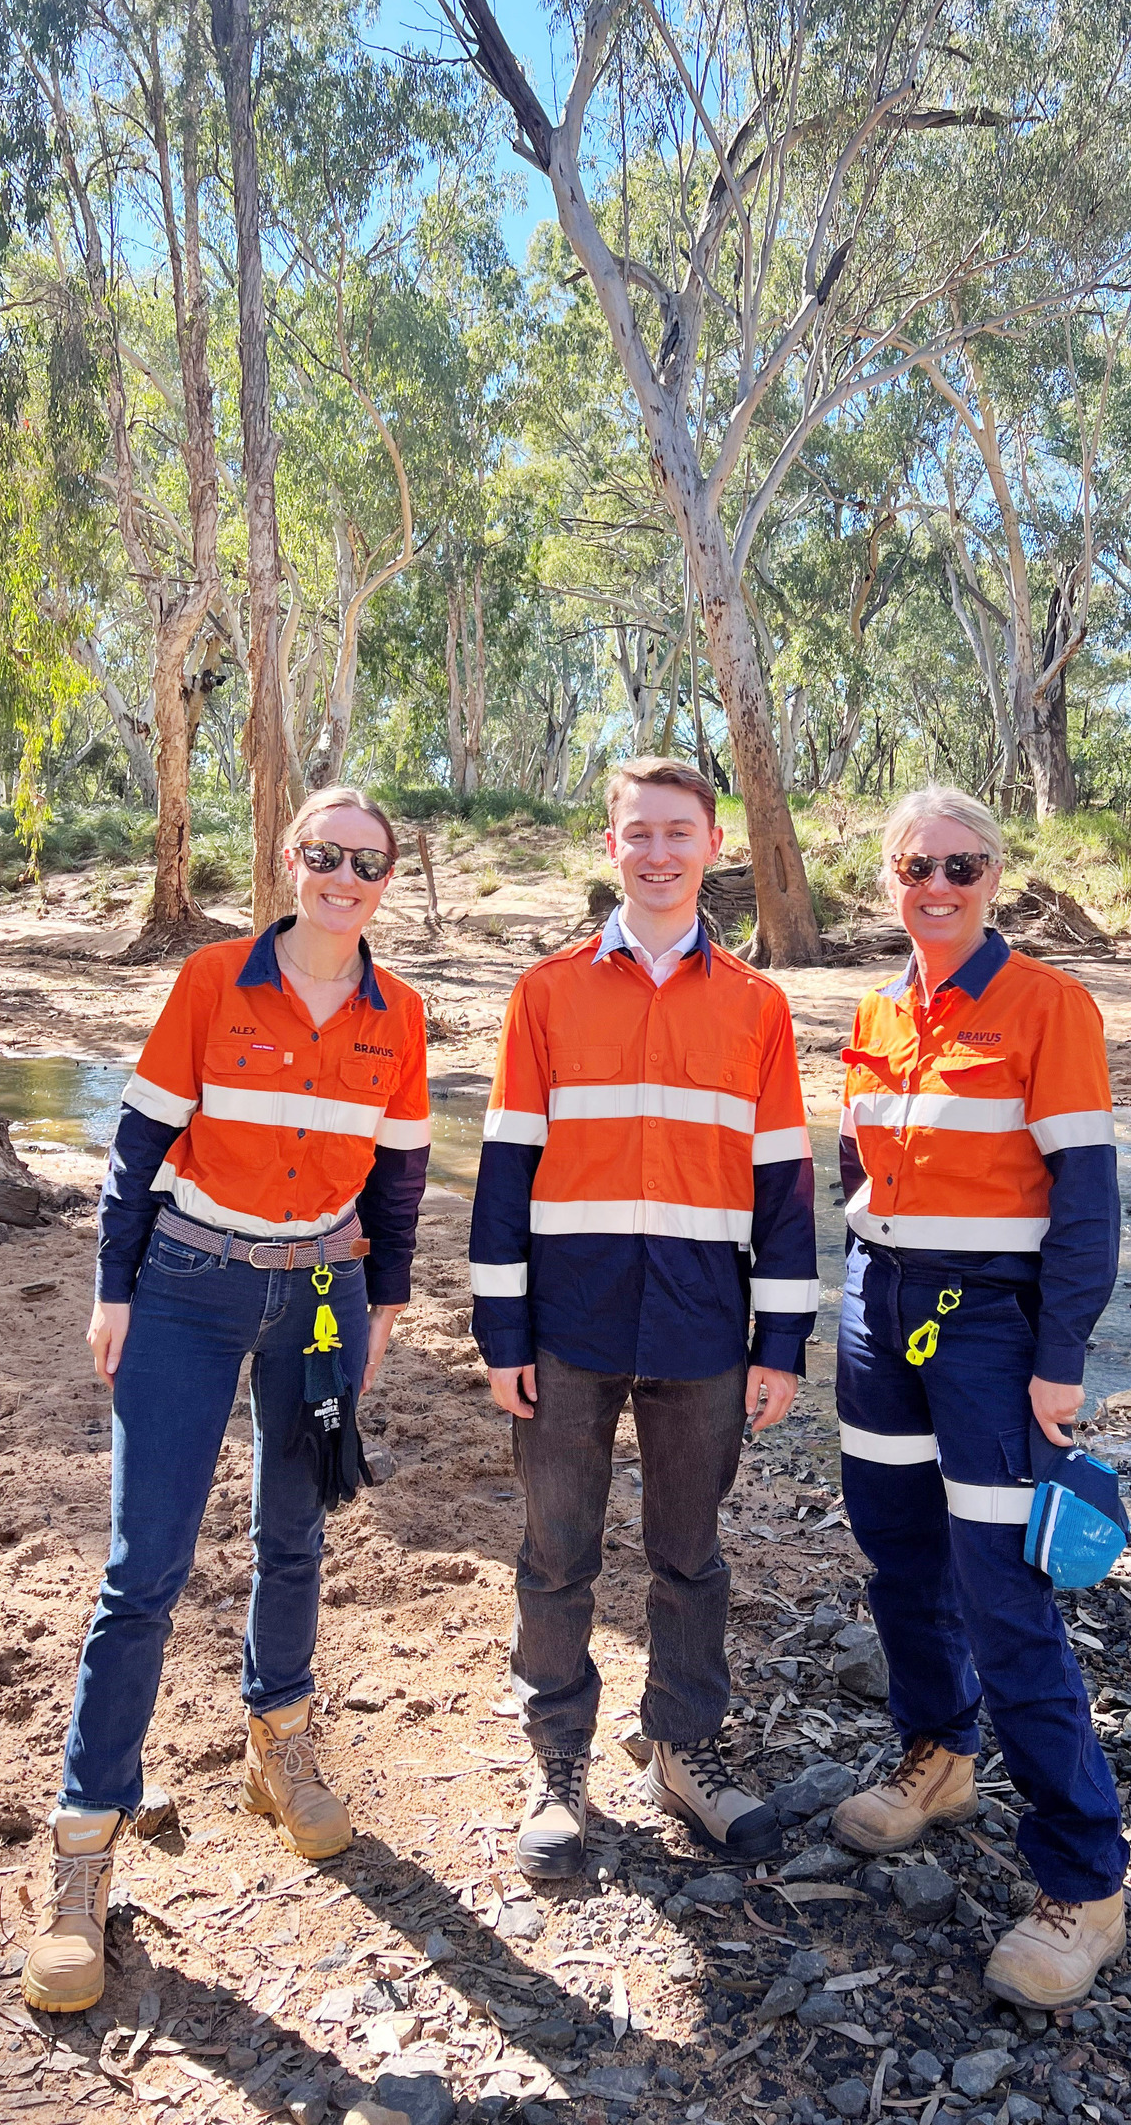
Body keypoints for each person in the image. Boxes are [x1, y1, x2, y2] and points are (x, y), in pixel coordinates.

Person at [21, 786, 430, 2014]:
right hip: (189, 1287)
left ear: (385, 880)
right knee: (142, 1569)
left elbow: (402, 1181)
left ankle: (279, 1742)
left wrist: (386, 1311)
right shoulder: (210, 980)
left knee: (292, 1538)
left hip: (321, 1295)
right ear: (289, 859)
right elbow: (136, 1148)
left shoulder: (401, 1012)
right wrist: (115, 1292)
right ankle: (85, 1847)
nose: (342, 877)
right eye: (323, 855)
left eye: (366, 862)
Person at [470, 757, 818, 1878]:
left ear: (712, 846)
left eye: (679, 833)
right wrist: (502, 1334)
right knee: (554, 1555)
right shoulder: (546, 992)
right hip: (568, 1326)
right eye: (639, 834)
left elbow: (785, 1187)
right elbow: (505, 1173)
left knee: (691, 1557)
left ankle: (683, 1749)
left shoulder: (758, 1007)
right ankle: (557, 1765)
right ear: (609, 845)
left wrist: (783, 1346)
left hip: (702, 1327)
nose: (659, 853)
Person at [827, 785, 1127, 2009]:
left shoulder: (1050, 1006)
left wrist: (1060, 1357)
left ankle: (1084, 1881)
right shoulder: (876, 1007)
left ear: (994, 876)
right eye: (916, 866)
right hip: (875, 1309)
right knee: (898, 1554)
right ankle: (940, 1753)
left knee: (1007, 1594)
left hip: (990, 1331)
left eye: (962, 865)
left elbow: (1089, 1200)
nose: (938, 886)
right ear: (889, 880)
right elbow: (860, 1164)